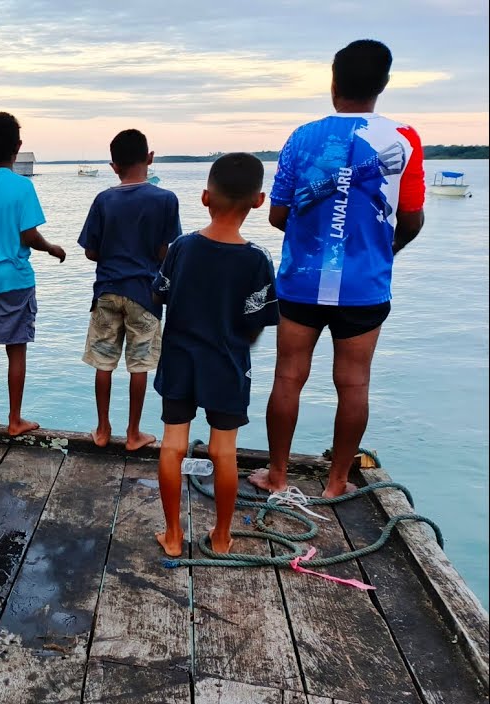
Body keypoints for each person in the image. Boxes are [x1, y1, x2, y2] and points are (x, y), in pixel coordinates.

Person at [251, 40, 425, 499]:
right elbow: (411, 218)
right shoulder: (403, 138)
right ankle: (336, 482)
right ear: (383, 84)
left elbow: (276, 215)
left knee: (288, 376)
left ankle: (278, 476)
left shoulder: (302, 136)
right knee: (354, 383)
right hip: (364, 287)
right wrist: (384, 251)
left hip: (302, 282)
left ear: (333, 83)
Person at [153, 153, 279, 558]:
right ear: (259, 201)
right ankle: (222, 536)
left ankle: (173, 536)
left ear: (205, 197)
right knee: (224, 451)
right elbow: (256, 320)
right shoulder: (257, 260)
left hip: (179, 359)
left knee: (173, 444)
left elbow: (162, 293)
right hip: (227, 364)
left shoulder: (182, 247)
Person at [0, 112, 67, 437]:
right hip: (13, 278)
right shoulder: (22, 187)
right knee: (16, 348)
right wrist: (52, 248)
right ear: (18, 147)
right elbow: (28, 236)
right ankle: (15, 419)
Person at [78, 129, 181, 452]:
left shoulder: (104, 199)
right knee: (139, 365)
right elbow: (167, 252)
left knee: (103, 362)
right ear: (150, 158)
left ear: (113, 166)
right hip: (146, 293)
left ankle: (102, 428)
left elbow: (90, 251)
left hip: (107, 290)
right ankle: (133, 432)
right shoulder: (165, 199)